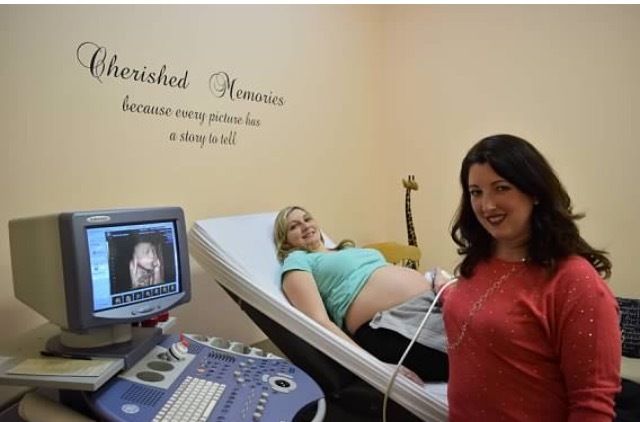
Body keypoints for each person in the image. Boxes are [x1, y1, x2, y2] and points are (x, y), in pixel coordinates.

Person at [443, 134, 621, 421]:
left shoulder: (574, 281)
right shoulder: (478, 262)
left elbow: (592, 404)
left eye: (501, 188)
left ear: (535, 192)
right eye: (475, 192)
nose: (487, 206)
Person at [273, 205, 449, 383]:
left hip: (432, 303)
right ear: (286, 241)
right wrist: (375, 366)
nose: (305, 225)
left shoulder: (346, 250)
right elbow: (319, 321)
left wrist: (435, 278)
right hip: (391, 324)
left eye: (307, 218)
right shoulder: (297, 260)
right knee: (469, 357)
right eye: (294, 226)